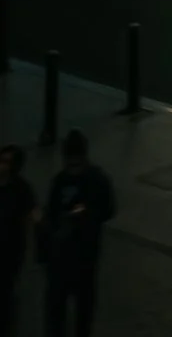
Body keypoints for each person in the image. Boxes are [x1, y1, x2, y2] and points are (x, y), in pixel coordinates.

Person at [41, 131, 114, 337]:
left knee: (81, 312)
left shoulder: (96, 180)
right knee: (59, 312)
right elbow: (52, 213)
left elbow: (108, 209)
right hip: (63, 257)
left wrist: (87, 213)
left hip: (83, 257)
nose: (71, 167)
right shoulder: (61, 180)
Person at [0, 144, 38, 337]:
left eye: (6, 162)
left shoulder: (21, 189)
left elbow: (32, 216)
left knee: (6, 293)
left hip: (9, 252)